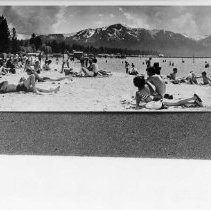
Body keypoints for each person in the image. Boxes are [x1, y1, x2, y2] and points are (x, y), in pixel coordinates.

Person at [133, 76, 203, 109]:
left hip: (156, 103)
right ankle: (194, 101)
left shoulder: (138, 93)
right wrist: (147, 82)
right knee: (177, 103)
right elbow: (153, 92)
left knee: (177, 103)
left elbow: (137, 105)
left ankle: (194, 98)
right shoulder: (147, 86)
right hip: (157, 100)